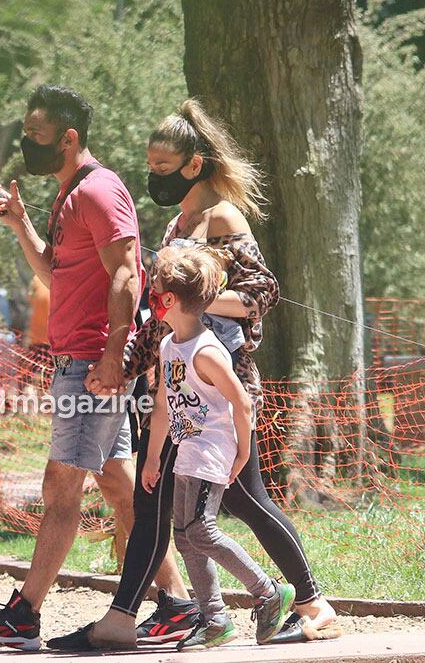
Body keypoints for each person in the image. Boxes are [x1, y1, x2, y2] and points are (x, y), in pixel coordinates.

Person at [49, 99, 336, 651]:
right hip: (175, 391)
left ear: (194, 163)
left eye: (162, 167)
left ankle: (310, 602)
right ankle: (124, 618)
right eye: (149, 165)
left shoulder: (223, 218)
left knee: (244, 501)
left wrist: (194, 296)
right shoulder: (176, 223)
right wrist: (121, 366)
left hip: (221, 388)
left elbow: (260, 294)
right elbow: (160, 318)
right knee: (154, 503)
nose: (152, 176)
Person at [0, 85, 183, 650]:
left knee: (61, 488)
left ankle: (23, 614)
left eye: (35, 133)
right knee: (121, 489)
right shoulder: (69, 194)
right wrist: (19, 222)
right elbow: (59, 274)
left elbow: (128, 275)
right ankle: (180, 604)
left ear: (69, 136)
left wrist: (113, 355)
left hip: (90, 363)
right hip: (82, 359)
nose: (28, 142)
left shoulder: (100, 192)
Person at [142, 246, 295, 650]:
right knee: (184, 535)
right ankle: (215, 620)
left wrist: (243, 452)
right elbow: (161, 405)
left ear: (170, 299)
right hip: (187, 449)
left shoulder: (206, 350)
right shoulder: (168, 345)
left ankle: (268, 591)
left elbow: (242, 401)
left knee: (201, 530)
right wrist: (154, 456)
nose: (150, 293)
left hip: (212, 450)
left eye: (154, 288)